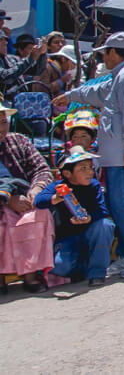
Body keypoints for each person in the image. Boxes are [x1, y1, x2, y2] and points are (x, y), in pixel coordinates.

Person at [53, 32, 124, 278]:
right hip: (119, 155)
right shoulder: (121, 76)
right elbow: (97, 92)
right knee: (121, 205)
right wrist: (71, 95)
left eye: (105, 52)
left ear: (113, 52)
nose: (103, 57)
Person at [34, 147, 114, 286]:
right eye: (82, 169)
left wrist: (89, 218)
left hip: (90, 233)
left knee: (105, 225)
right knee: (60, 267)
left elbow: (102, 210)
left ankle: (97, 273)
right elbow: (38, 201)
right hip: (67, 238)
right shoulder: (58, 186)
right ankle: (82, 267)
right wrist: (55, 198)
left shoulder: (94, 185)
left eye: (90, 167)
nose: (89, 172)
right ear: (67, 173)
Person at [0, 101, 55, 292]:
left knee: (40, 212)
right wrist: (9, 200)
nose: (1, 128)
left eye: (3, 122)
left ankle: (32, 275)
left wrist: (36, 190)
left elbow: (41, 169)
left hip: (25, 201)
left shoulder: (19, 141)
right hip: (4, 203)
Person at [1, 34, 45, 100]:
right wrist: (30, 59)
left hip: (21, 102)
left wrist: (42, 54)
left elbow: (36, 71)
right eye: (1, 40)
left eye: (6, 40)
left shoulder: (13, 59)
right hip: (5, 103)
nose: (5, 42)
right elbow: (6, 77)